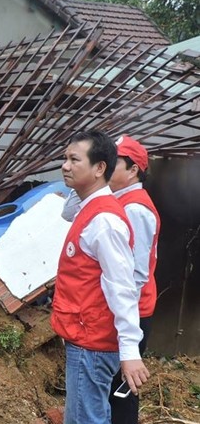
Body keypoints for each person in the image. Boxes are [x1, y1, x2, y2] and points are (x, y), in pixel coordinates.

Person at [52, 129, 149, 424]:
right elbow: (67, 211)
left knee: (86, 419)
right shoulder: (90, 207)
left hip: (92, 341)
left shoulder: (104, 220)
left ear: (99, 168)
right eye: (65, 158)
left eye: (74, 159)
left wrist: (130, 350)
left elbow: (123, 286)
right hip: (85, 335)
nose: (65, 166)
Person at [108, 135, 160, 424]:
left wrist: (122, 318)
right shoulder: (119, 200)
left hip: (132, 312)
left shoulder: (135, 208)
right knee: (113, 387)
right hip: (124, 310)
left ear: (133, 170)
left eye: (113, 162)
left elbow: (136, 274)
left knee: (121, 391)